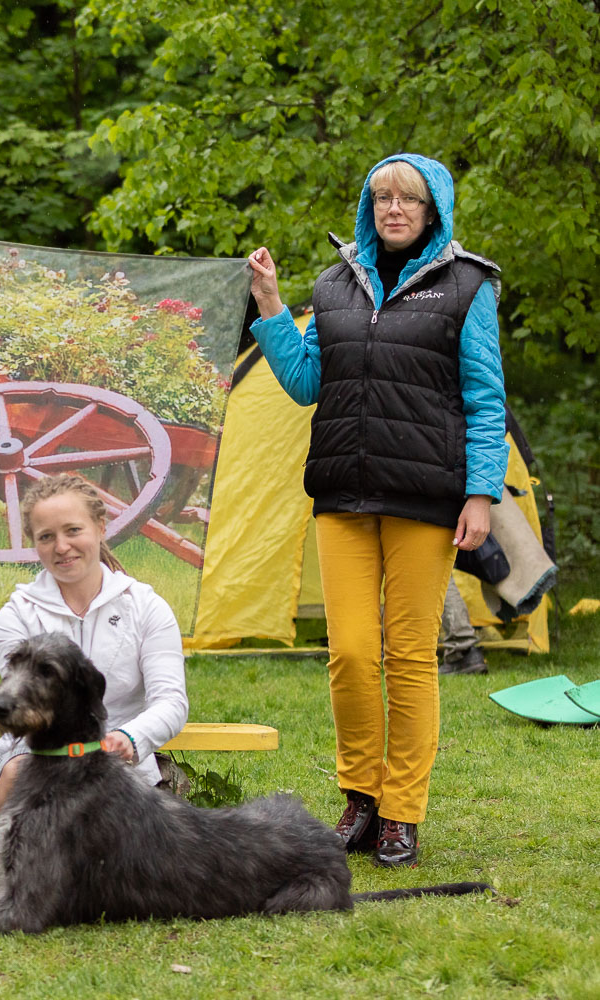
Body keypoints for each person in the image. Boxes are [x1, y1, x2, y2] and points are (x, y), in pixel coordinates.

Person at [247, 153, 507, 867]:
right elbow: (304, 383)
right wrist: (270, 304)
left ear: (433, 211)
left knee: (409, 657)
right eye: (382, 197)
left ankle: (402, 813)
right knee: (352, 653)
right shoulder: (334, 285)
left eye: (409, 199)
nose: (395, 208)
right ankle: (360, 800)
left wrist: (481, 492)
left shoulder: (467, 287)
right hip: (342, 494)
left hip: (426, 499)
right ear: (370, 207)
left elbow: (486, 400)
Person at [0, 473, 189, 823]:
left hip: (122, 757)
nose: (61, 547)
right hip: (36, 753)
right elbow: (24, 709)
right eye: (46, 537)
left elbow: (171, 701)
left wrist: (130, 736)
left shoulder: (147, 607)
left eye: (73, 531)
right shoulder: (15, 614)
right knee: (19, 775)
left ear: (100, 527)